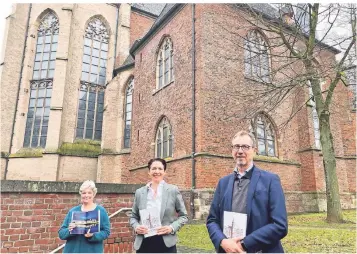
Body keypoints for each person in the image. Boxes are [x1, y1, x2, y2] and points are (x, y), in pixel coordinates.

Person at [207, 130, 288, 253]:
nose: (240, 151)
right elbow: (212, 220)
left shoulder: (270, 180)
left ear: (254, 150)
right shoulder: (223, 183)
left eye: (245, 146)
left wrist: (244, 244)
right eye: (236, 146)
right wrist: (223, 241)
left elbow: (280, 225)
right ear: (232, 151)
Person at [130, 158, 188, 253]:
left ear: (164, 172)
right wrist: (136, 227)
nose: (157, 171)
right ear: (149, 171)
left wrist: (171, 228)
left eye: (160, 169)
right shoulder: (140, 192)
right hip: (144, 242)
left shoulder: (173, 190)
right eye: (154, 168)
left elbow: (184, 216)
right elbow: (133, 217)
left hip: (166, 243)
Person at [58, 180, 111, 253]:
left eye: (89, 193)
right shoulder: (73, 211)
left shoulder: (101, 211)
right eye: (84, 193)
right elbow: (61, 233)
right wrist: (69, 230)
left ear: (94, 194)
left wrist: (93, 235)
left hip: (92, 251)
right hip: (72, 250)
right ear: (81, 194)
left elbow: (106, 232)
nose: (86, 195)